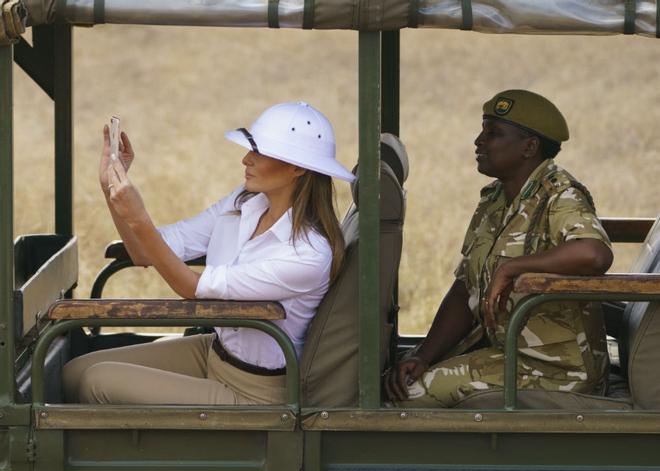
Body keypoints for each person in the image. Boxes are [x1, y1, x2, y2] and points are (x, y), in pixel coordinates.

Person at [63, 101, 355, 405]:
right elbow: (145, 253)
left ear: (297, 168)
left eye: (259, 152)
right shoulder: (243, 203)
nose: (245, 159)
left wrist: (138, 217)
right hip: (215, 353)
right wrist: (110, 190)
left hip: (256, 392)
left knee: (97, 382)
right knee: (74, 372)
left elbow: (191, 287)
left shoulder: (308, 254)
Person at [385, 89, 613, 407]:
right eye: (483, 130)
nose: (479, 141)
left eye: (493, 133)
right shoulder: (494, 198)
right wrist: (423, 354)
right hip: (509, 351)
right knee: (399, 377)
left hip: (557, 368)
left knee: (411, 395)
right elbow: (466, 288)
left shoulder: (560, 195)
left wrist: (512, 268)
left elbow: (594, 253)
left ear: (529, 147)